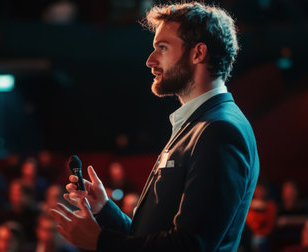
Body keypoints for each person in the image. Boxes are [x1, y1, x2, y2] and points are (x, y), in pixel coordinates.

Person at [49, 2, 259, 251]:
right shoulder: (200, 124)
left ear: (198, 53)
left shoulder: (219, 130)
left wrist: (100, 241)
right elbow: (150, 237)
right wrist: (105, 210)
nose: (150, 60)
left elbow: (189, 245)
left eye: (162, 48)